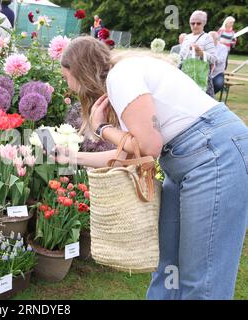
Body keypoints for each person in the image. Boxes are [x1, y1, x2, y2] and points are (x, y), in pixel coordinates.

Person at [58, 36, 248, 299]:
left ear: (80, 71)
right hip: (187, 161)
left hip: (214, 155)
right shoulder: (123, 80)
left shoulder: (121, 76)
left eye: (66, 76)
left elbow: (150, 145)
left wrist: (103, 128)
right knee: (168, 268)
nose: (67, 86)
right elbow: (127, 153)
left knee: (202, 282)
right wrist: (71, 157)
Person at [179, 10, 216, 97]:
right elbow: (181, 57)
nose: (195, 25)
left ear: (203, 23)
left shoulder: (207, 38)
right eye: (192, 23)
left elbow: (213, 59)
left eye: (198, 23)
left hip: (200, 76)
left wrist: (200, 52)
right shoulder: (186, 38)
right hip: (186, 74)